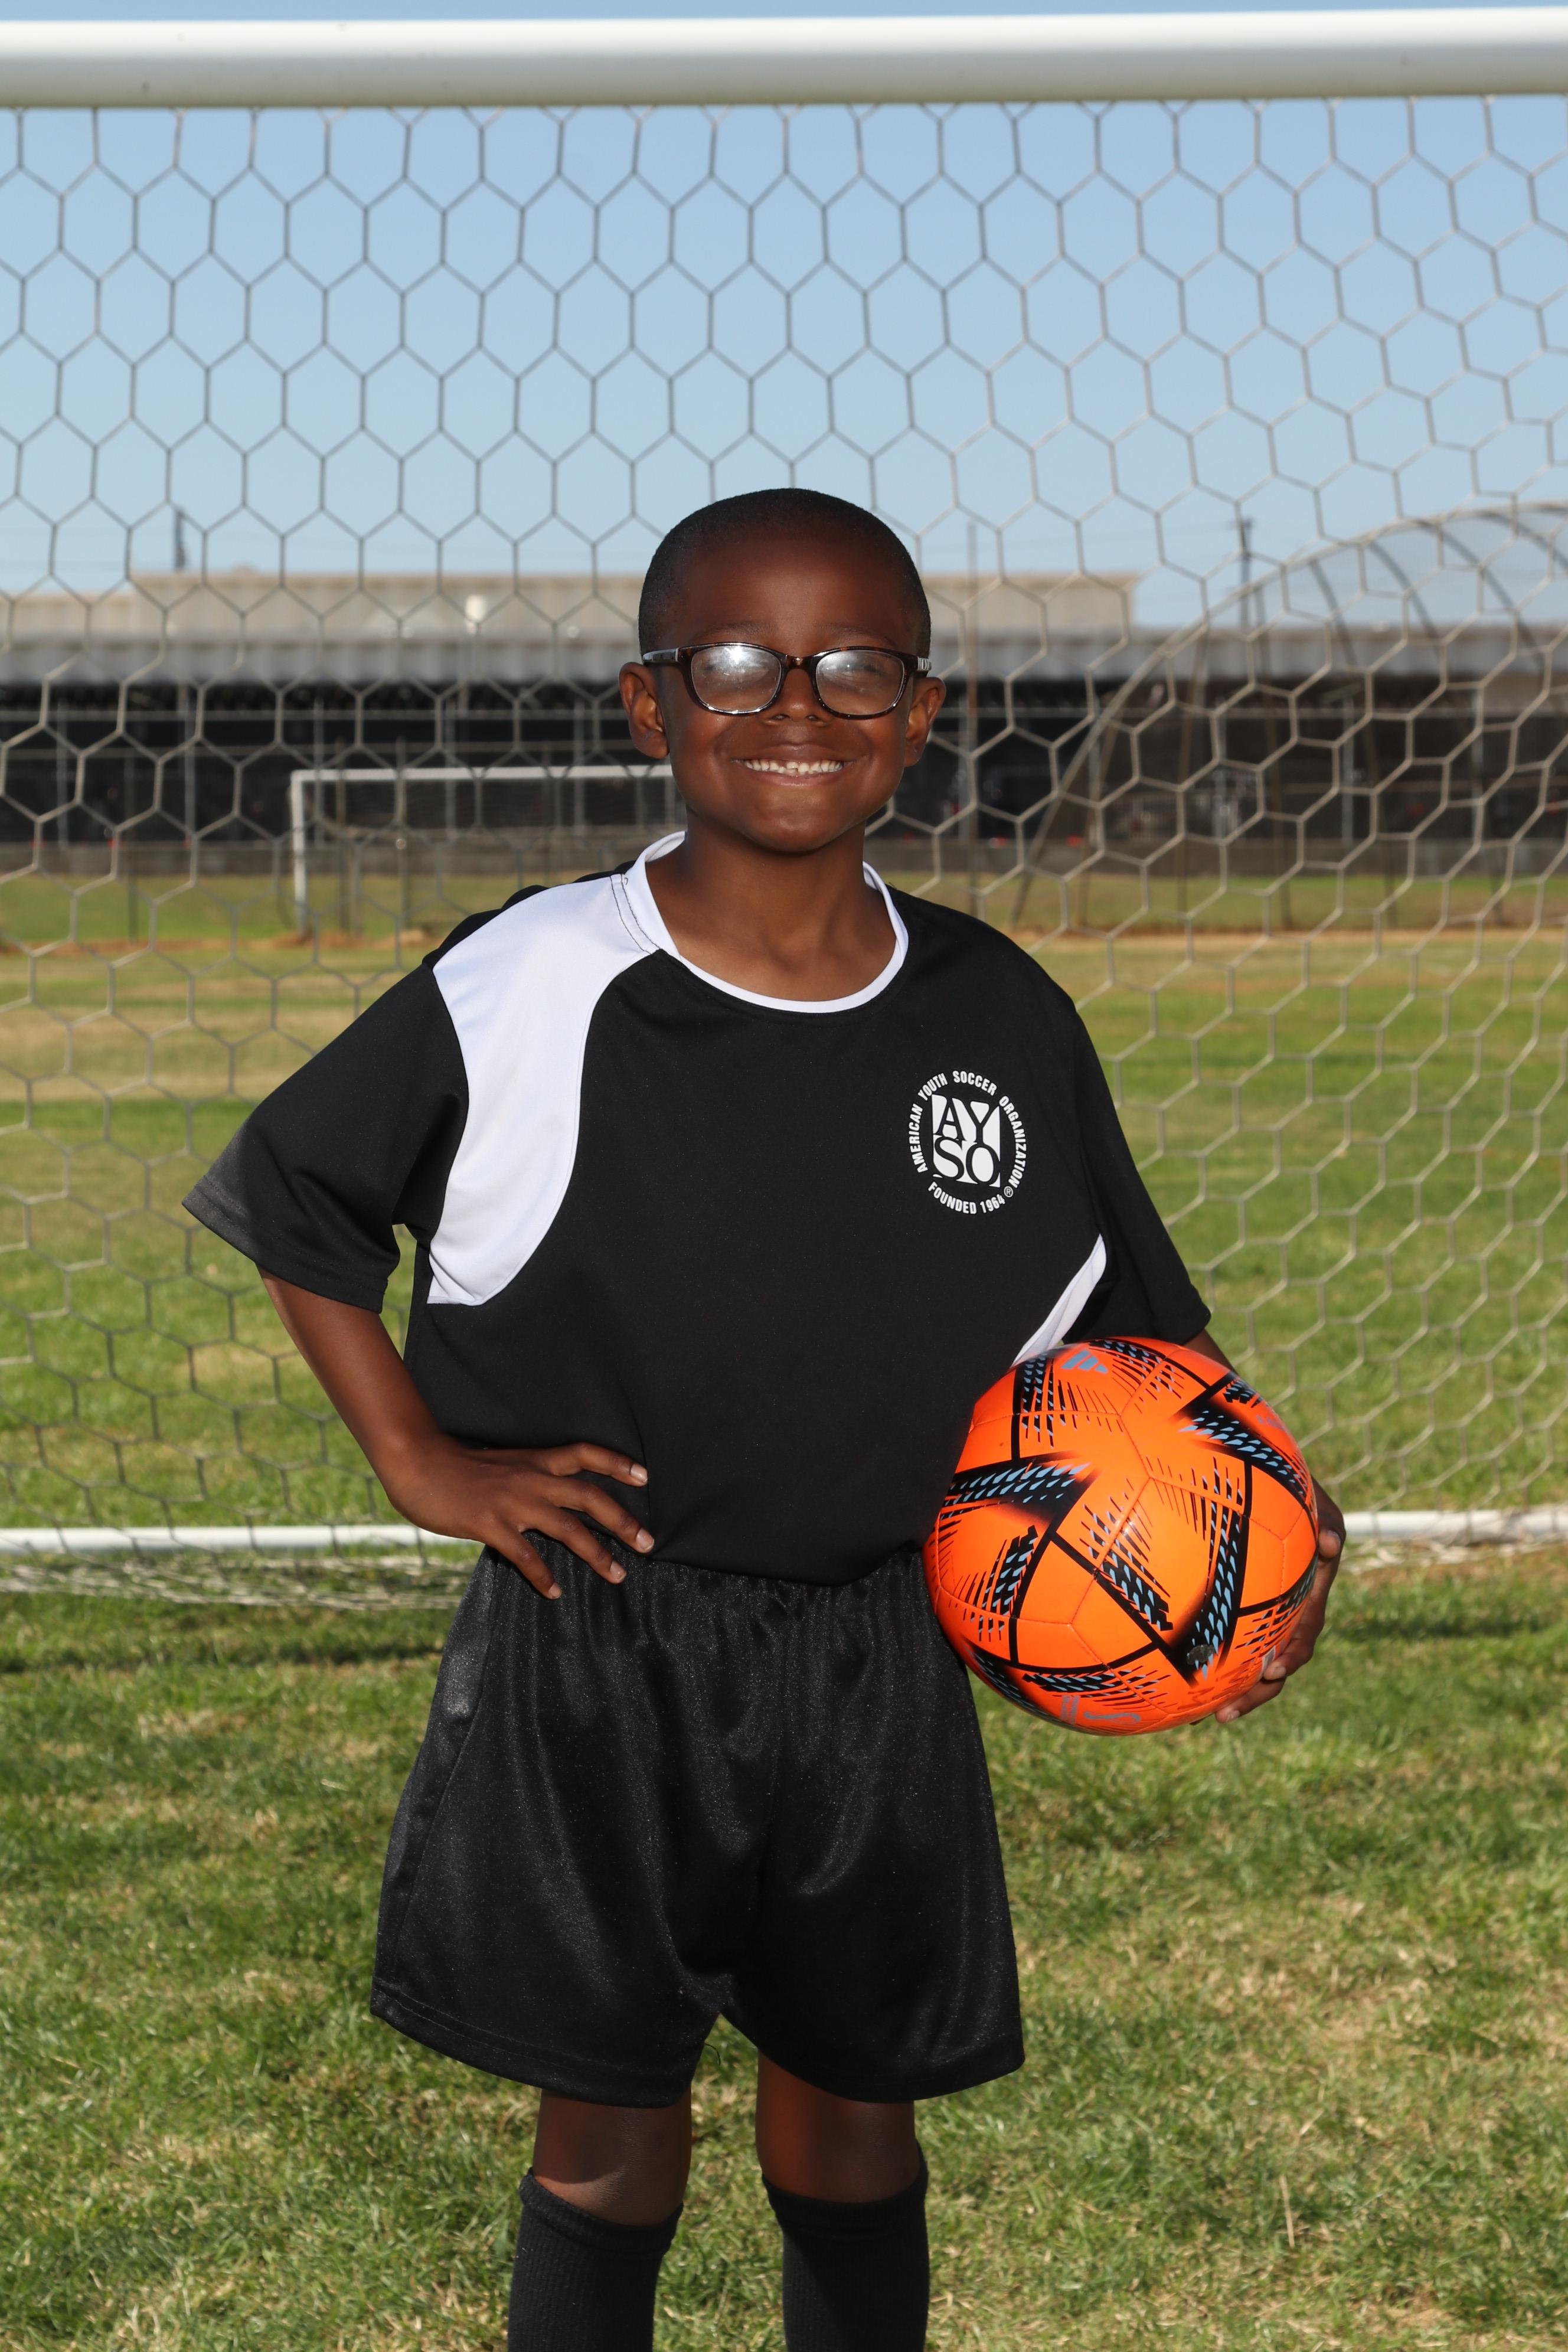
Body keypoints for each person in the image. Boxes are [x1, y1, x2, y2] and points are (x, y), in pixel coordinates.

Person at [184, 488, 1344, 2352]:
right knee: (607, 2136)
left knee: (857, 2120)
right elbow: (298, 1191)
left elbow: (1146, 1344)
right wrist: (419, 1458)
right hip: (602, 1640)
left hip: (886, 1648)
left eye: (854, 665)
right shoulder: (539, 977)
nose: (797, 706)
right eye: (738, 662)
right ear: (651, 703)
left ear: (924, 709)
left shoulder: (999, 1011)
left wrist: (1271, 1552)